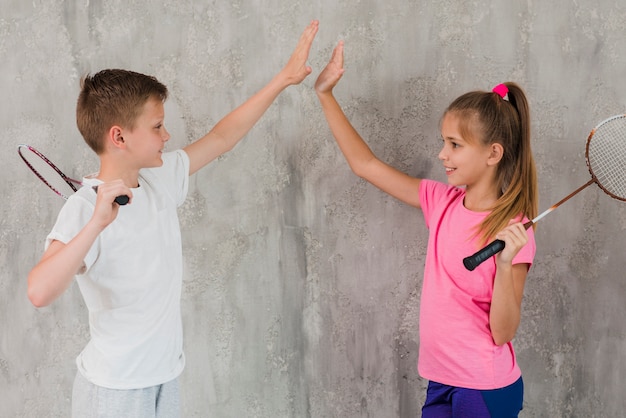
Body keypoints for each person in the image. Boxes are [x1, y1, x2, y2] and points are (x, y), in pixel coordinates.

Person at [26, 20, 319, 418]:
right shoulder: (83, 210)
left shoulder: (158, 179)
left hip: (165, 376)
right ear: (119, 137)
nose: (167, 135)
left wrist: (282, 80)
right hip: (115, 390)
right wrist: (96, 223)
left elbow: (221, 138)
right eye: (157, 126)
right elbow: (39, 292)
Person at [314, 41, 537, 417]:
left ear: (493, 153)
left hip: (483, 387)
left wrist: (503, 265)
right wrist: (325, 95)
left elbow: (503, 332)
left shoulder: (515, 232)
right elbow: (364, 164)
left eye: (454, 144)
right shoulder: (442, 202)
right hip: (440, 379)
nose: (442, 154)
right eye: (443, 142)